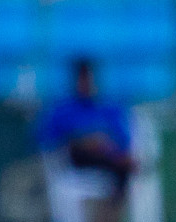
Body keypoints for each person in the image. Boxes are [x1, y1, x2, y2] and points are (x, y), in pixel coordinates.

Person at [38, 58, 135, 201]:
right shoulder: (62, 111)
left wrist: (103, 143)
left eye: (88, 78)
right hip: (76, 162)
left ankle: (109, 216)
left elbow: (123, 140)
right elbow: (46, 140)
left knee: (122, 168)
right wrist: (82, 141)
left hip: (106, 159)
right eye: (82, 79)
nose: (86, 84)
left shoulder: (108, 109)